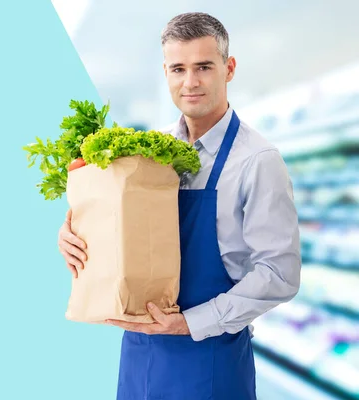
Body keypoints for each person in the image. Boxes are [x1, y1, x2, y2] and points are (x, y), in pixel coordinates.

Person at [57, 12, 301, 400]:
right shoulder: (144, 153)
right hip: (139, 353)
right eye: (178, 69)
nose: (190, 82)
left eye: (203, 66)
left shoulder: (257, 161)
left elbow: (280, 273)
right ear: (166, 73)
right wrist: (76, 236)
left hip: (210, 361)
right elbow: (120, 228)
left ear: (229, 68)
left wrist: (189, 323)